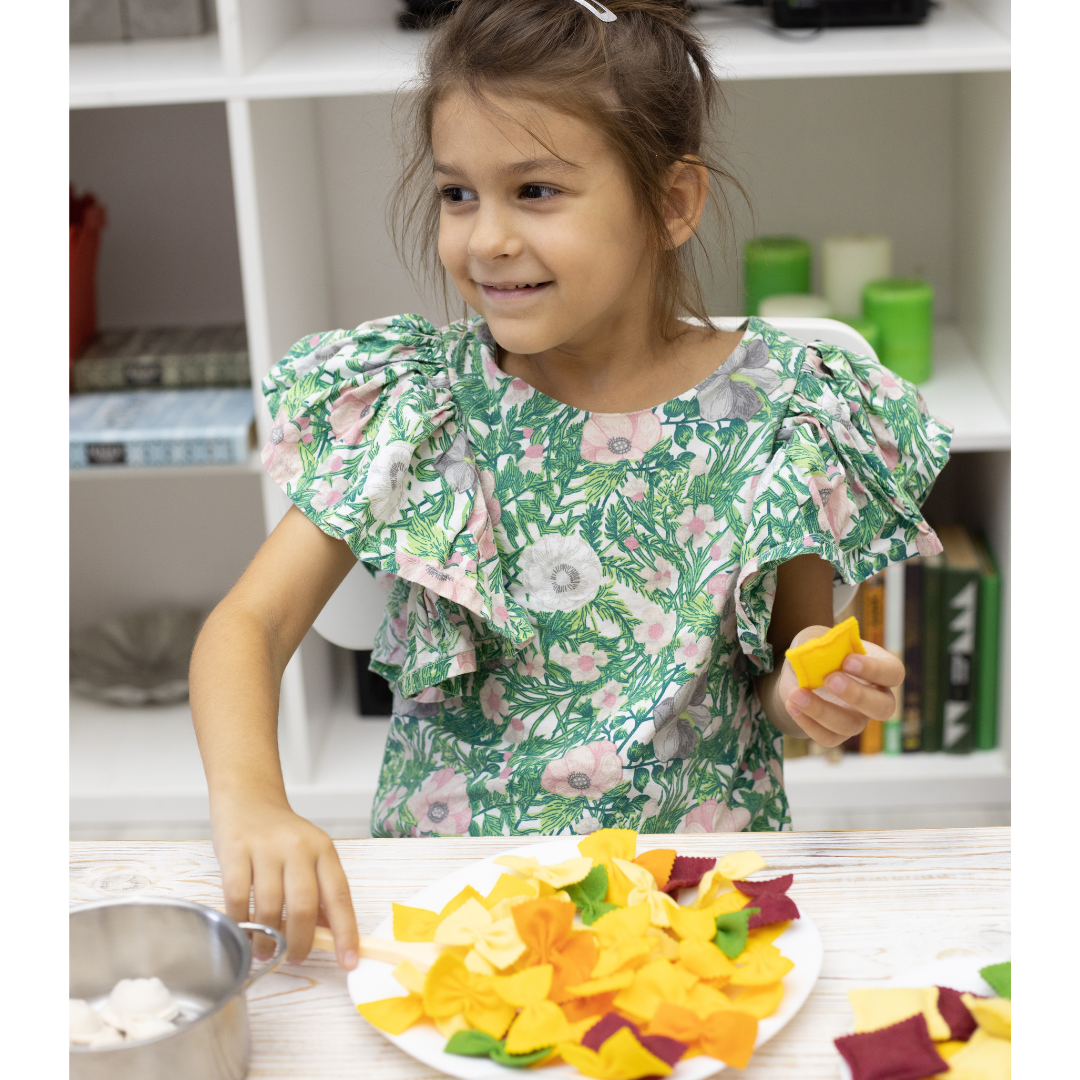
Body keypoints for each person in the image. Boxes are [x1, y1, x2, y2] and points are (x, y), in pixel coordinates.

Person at [190, 0, 950, 971]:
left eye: (536, 191)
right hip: (458, 910)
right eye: (459, 194)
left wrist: (815, 688)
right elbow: (242, 628)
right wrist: (253, 802)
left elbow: (774, 682)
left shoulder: (782, 411)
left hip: (690, 911)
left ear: (673, 203)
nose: (485, 239)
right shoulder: (425, 404)